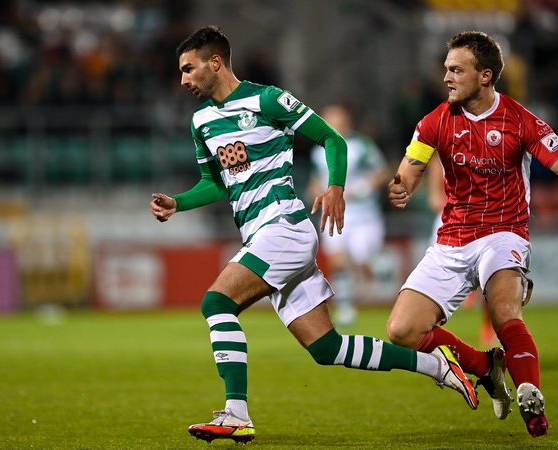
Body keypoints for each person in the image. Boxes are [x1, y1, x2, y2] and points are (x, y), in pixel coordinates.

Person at [150, 25, 479, 444]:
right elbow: (216, 183)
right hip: (261, 236)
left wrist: (336, 187)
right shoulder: (201, 121)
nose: (183, 80)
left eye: (188, 69)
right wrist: (178, 203)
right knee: (326, 348)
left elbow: (332, 139)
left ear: (215, 63)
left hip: (284, 228)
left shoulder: (268, 100)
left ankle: (235, 412)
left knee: (216, 302)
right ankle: (438, 366)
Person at [386, 30, 558, 438]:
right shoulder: (434, 121)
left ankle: (530, 396)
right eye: (446, 69)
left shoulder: (520, 120)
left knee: (505, 312)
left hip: (503, 232)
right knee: (401, 329)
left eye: (457, 70)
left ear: (485, 76)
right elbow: (409, 170)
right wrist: (401, 187)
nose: (447, 77)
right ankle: (486, 366)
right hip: (452, 238)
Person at [307, 103, 389, 327]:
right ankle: (345, 308)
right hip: (333, 214)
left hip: (363, 216)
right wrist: (316, 191)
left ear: (347, 121)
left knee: (364, 264)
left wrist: (362, 188)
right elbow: (315, 181)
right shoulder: (319, 150)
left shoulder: (362, 145)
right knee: (337, 261)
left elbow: (383, 172)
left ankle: (382, 268)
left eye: (338, 119)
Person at [426, 158, 495, 347]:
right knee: (435, 273)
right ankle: (428, 330)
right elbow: (434, 196)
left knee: (489, 276)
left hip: (481, 216)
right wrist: (440, 196)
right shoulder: (442, 152)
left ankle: (489, 322)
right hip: (450, 217)